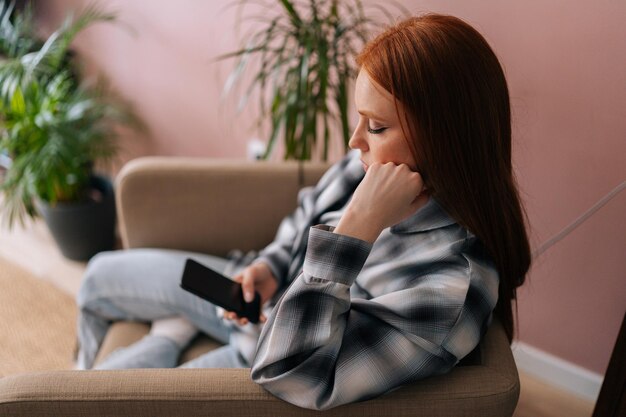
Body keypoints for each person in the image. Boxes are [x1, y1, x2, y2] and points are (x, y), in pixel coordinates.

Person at [76, 13, 531, 411]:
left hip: (266, 353)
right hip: (257, 302)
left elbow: (291, 370)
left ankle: (166, 338)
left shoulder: (448, 291)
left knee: (98, 400)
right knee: (97, 276)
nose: (355, 142)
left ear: (444, 138)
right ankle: (173, 331)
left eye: (376, 126)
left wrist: (356, 231)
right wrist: (269, 266)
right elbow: (306, 212)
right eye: (360, 119)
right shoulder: (372, 166)